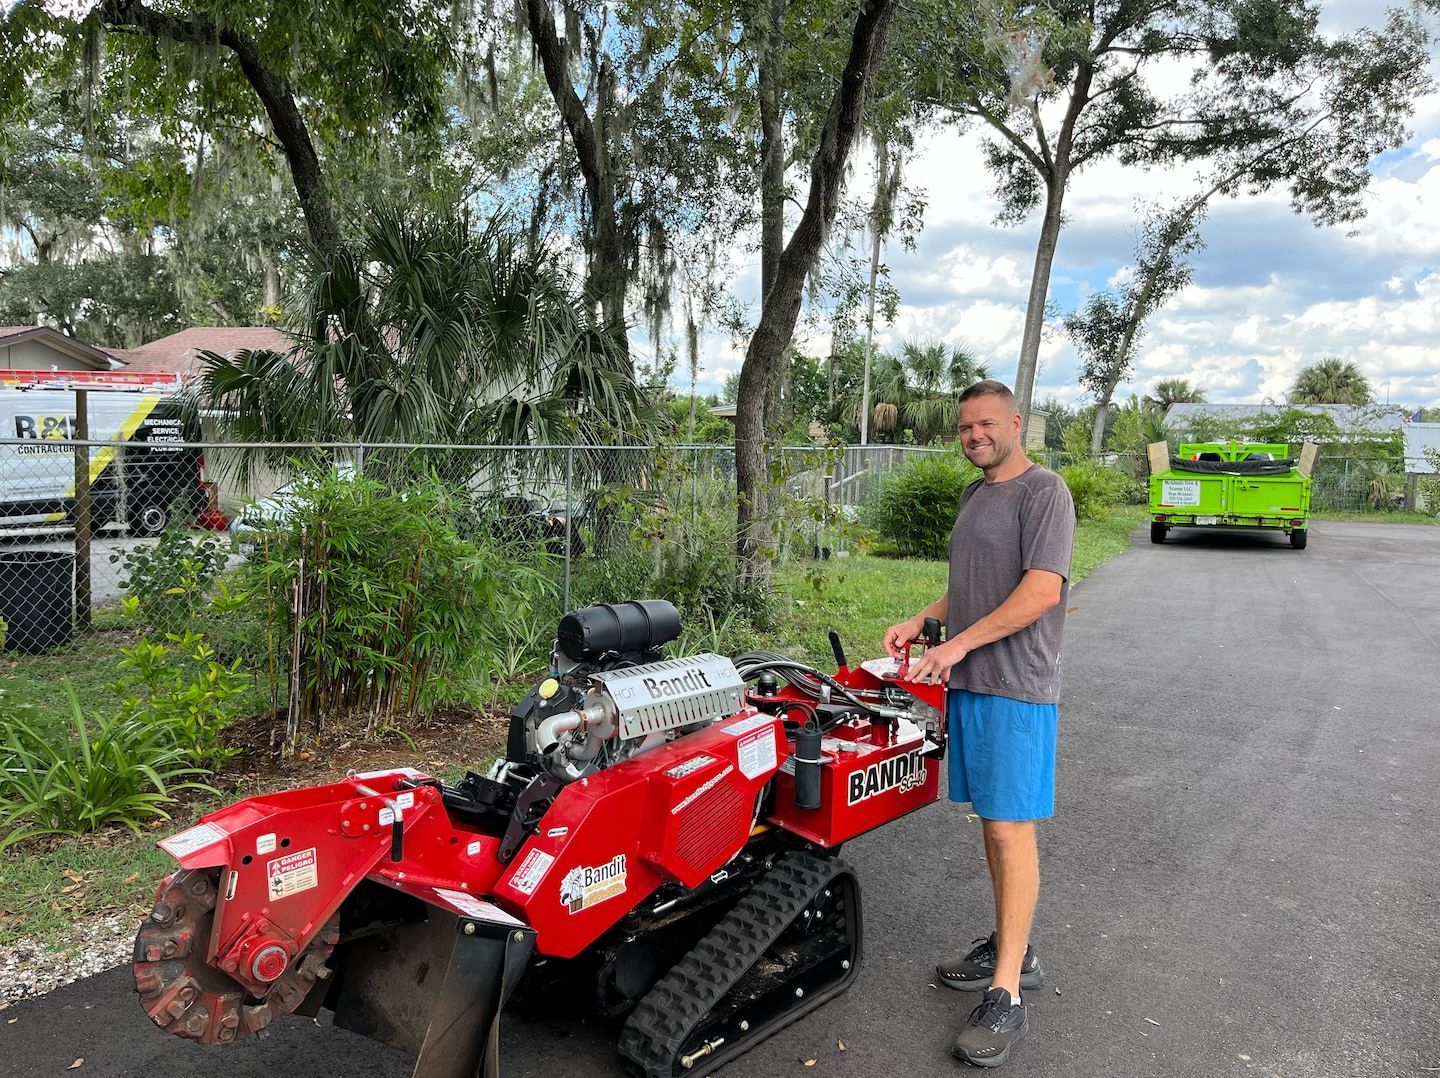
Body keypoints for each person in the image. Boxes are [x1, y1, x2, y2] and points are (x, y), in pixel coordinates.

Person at [883, 379, 1075, 1069]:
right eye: (966, 427)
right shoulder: (975, 495)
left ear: (1016, 423)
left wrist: (961, 644)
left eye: (987, 424)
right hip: (969, 682)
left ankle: (1008, 994)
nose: (974, 436)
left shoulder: (1044, 492)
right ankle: (1008, 945)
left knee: (1007, 827)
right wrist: (925, 621)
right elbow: (968, 587)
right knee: (991, 825)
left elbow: (1041, 589)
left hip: (1016, 686)